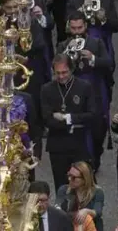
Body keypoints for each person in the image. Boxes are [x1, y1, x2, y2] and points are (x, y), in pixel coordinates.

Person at [42, 54, 95, 189]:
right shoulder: (47, 89)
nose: (61, 76)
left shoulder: (84, 87)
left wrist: (67, 118)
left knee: (83, 184)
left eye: (64, 72)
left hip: (79, 144)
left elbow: (92, 115)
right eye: (57, 73)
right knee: (61, 186)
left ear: (71, 70)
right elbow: (47, 119)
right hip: (57, 146)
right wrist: (74, 122)